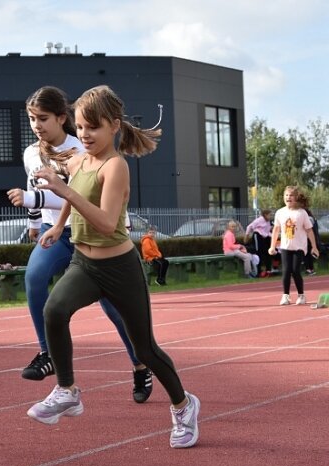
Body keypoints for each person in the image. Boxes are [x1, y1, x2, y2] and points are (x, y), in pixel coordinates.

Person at [26, 85, 199, 447]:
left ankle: (183, 406)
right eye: (80, 127)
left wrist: (63, 191)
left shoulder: (115, 166)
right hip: (84, 263)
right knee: (54, 311)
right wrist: (59, 226)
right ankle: (67, 390)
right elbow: (75, 195)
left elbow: (106, 222)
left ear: (114, 126)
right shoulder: (77, 161)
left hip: (119, 267)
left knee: (146, 350)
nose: (85, 135)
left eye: (93, 127)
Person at [7, 85, 152, 404]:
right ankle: (47, 352)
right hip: (54, 232)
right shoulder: (31, 153)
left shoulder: (82, 149)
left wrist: (32, 197)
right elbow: (38, 191)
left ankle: (141, 365)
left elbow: (81, 199)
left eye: (43, 118)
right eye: (31, 119)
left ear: (62, 118)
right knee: (34, 278)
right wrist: (34, 223)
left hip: (88, 234)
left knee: (115, 310)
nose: (37, 125)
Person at [269, 185, 319, 305]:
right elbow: (276, 230)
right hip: (285, 247)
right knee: (286, 271)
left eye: (291, 195)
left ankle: (301, 295)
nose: (288, 197)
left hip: (299, 247)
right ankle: (285, 296)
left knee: (295, 270)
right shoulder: (280, 212)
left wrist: (314, 247)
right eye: (286, 195)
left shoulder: (302, 213)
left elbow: (309, 230)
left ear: (296, 197)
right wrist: (272, 246)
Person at [297, 193, 321, 276]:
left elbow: (310, 228)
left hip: (307, 238)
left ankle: (309, 269)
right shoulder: (301, 213)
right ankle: (309, 268)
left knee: (307, 254)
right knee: (306, 254)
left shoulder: (307, 215)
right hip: (304, 238)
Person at [245, 209, 274, 277]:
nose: (270, 216)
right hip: (258, 236)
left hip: (265, 237)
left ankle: (268, 270)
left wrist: (274, 235)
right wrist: (246, 236)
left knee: (268, 252)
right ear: (265, 215)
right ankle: (258, 271)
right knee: (259, 253)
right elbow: (249, 227)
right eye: (269, 215)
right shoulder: (259, 220)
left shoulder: (268, 221)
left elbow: (266, 232)